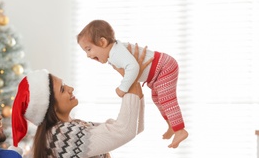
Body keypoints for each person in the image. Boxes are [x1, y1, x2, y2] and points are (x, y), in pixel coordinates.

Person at [8, 44, 148, 158]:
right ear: (50, 106)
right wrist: (130, 77)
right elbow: (124, 130)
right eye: (62, 89)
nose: (70, 89)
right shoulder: (60, 136)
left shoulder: (76, 128)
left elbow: (134, 126)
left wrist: (134, 81)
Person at [77, 19, 188, 148]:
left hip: (164, 67)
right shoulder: (114, 53)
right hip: (158, 72)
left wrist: (122, 88)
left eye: (89, 49)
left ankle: (180, 130)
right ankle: (172, 125)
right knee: (157, 99)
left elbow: (133, 67)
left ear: (102, 42)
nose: (88, 55)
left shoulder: (115, 53)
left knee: (166, 99)